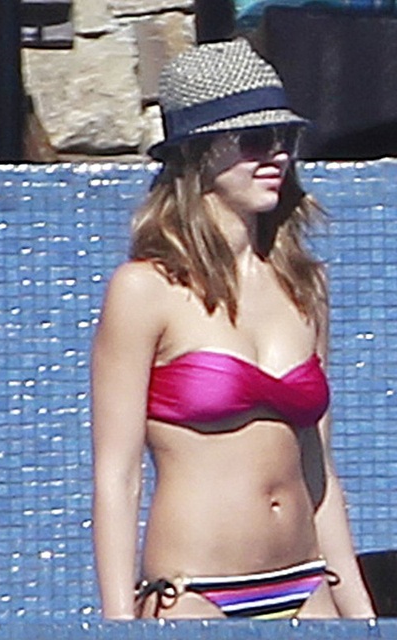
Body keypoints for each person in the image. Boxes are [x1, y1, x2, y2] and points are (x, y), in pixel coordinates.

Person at [91, 38, 375, 620]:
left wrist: (362, 615)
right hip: (194, 592)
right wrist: (118, 624)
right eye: (253, 140)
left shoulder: (303, 285)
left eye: (285, 138)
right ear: (197, 155)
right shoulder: (145, 289)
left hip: (305, 586)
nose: (276, 155)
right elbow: (117, 476)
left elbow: (318, 469)